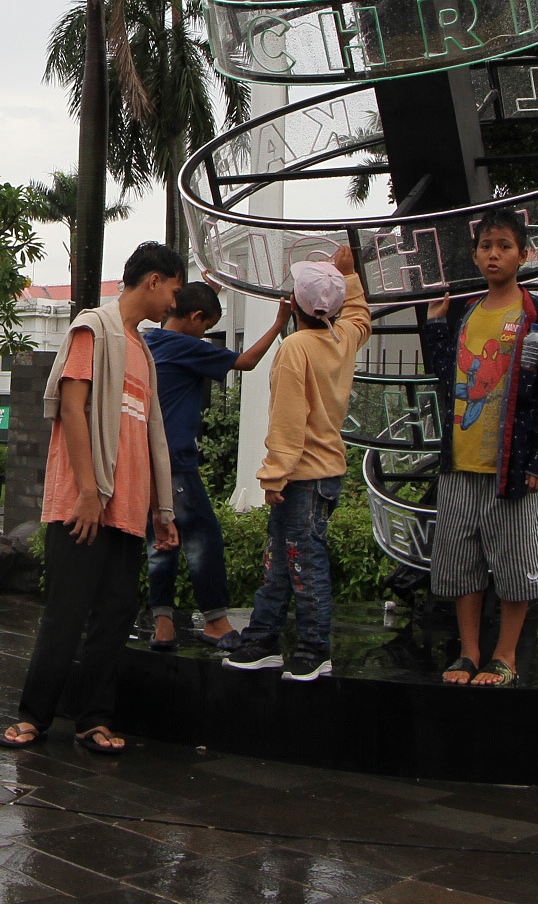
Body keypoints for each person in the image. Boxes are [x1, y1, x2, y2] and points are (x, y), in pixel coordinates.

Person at [0, 243, 184, 756]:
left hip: (127, 509)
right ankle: (33, 716)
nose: (174, 301)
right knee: (66, 613)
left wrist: (160, 511)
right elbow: (71, 409)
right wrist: (87, 491)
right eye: (173, 289)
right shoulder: (93, 330)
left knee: (115, 616)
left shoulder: (143, 350)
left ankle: (94, 720)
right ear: (153, 281)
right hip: (82, 504)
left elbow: (149, 435)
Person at [421, 213, 538, 687]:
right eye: (486, 246)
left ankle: (505, 656)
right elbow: (449, 378)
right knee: (461, 561)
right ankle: (469, 652)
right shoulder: (467, 312)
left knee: (516, 560)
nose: (494, 255)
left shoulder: (536, 313)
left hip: (513, 467)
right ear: (474, 255)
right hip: (461, 463)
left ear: (523, 255)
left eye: (504, 246)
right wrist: (435, 325)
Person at [223, 248, 371, 682]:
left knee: (299, 561)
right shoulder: (343, 338)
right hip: (324, 473)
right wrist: (351, 276)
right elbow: (360, 317)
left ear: (294, 303)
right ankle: (264, 638)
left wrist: (274, 476)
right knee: (287, 560)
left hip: (301, 476)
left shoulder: (295, 347)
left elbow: (289, 418)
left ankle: (313, 648)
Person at [141, 283, 290, 651]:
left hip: (146, 461)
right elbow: (246, 362)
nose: (205, 334)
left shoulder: (149, 342)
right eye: (206, 326)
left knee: (162, 542)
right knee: (203, 537)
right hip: (176, 460)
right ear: (195, 317)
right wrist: (278, 323)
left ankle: (163, 626)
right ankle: (216, 623)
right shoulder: (186, 346)